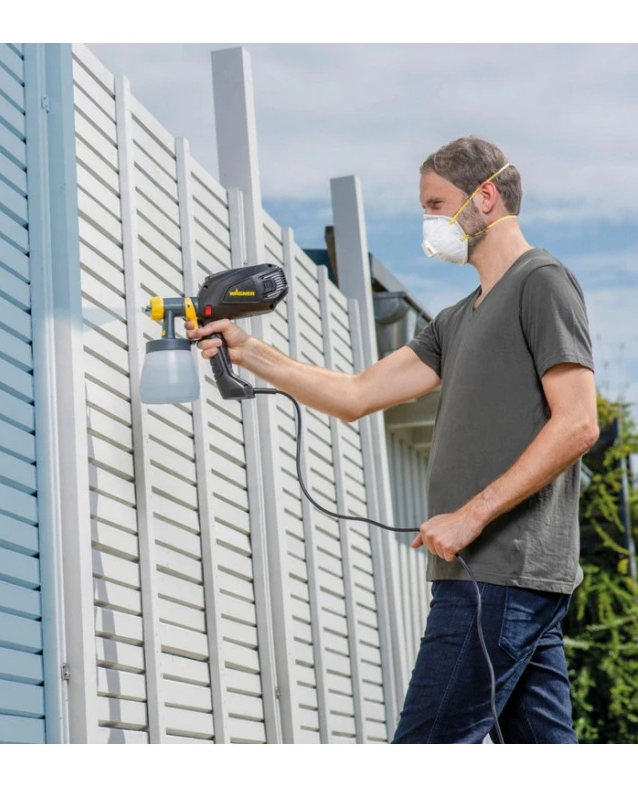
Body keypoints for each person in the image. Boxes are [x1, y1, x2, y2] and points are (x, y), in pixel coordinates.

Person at [186, 136, 599, 744]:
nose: (428, 222)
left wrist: (469, 516)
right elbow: (355, 394)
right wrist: (250, 352)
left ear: (485, 197)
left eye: (436, 205)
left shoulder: (541, 281)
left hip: (498, 571)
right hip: (502, 580)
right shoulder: (456, 320)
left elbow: (578, 423)